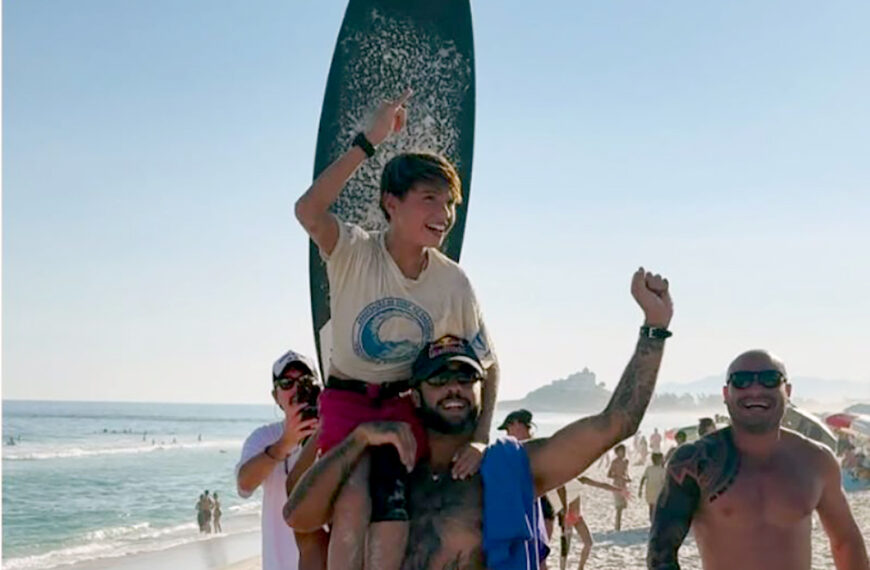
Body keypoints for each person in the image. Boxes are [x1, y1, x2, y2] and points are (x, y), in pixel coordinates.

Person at [286, 267, 673, 570]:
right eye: (439, 378)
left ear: (479, 388)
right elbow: (300, 517)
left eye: (465, 377)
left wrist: (653, 330)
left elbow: (616, 422)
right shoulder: (387, 467)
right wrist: (356, 439)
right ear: (415, 394)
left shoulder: (512, 466)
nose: (453, 388)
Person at [294, 88, 499, 570]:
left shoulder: (452, 281)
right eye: (430, 199)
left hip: (406, 406)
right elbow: (308, 211)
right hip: (346, 402)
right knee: (350, 506)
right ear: (391, 203)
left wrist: (481, 436)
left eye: (449, 204)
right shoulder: (354, 253)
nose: (444, 215)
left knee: (391, 509)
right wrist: (368, 141)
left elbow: (489, 363)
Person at [647, 350, 869, 570]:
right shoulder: (695, 461)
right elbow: (661, 553)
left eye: (769, 380)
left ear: (788, 390)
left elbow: (845, 542)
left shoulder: (817, 460)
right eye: (741, 381)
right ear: (726, 393)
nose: (755, 389)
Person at [236, 350, 322, 570]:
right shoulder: (264, 438)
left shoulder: (334, 431)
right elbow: (244, 485)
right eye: (286, 383)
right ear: (275, 396)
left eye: (304, 381)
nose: (296, 389)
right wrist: (285, 444)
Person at [498, 409, 557, 567]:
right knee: (537, 559)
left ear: (516, 424)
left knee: (537, 559)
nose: (507, 433)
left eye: (507, 428)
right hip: (537, 509)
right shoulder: (538, 447)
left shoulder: (527, 449)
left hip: (539, 510)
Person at [557, 476, 628, 570]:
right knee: (566, 548)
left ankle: (580, 567)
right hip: (567, 518)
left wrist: (618, 490)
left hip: (577, 517)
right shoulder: (562, 481)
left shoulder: (580, 480)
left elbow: (600, 485)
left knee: (588, 543)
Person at [607, 444, 631, 531]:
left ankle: (618, 526)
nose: (624, 453)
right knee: (619, 507)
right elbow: (609, 474)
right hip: (616, 485)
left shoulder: (626, 461)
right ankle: (617, 527)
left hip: (624, 485)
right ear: (617, 453)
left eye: (624, 451)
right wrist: (617, 476)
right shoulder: (614, 462)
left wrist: (627, 478)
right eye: (621, 451)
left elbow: (626, 473)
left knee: (623, 506)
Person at [638, 452, 666, 521]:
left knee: (652, 507)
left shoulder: (649, 468)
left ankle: (652, 521)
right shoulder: (662, 470)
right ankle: (656, 522)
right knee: (658, 507)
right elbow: (665, 481)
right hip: (658, 491)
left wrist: (640, 489)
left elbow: (643, 478)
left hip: (650, 490)